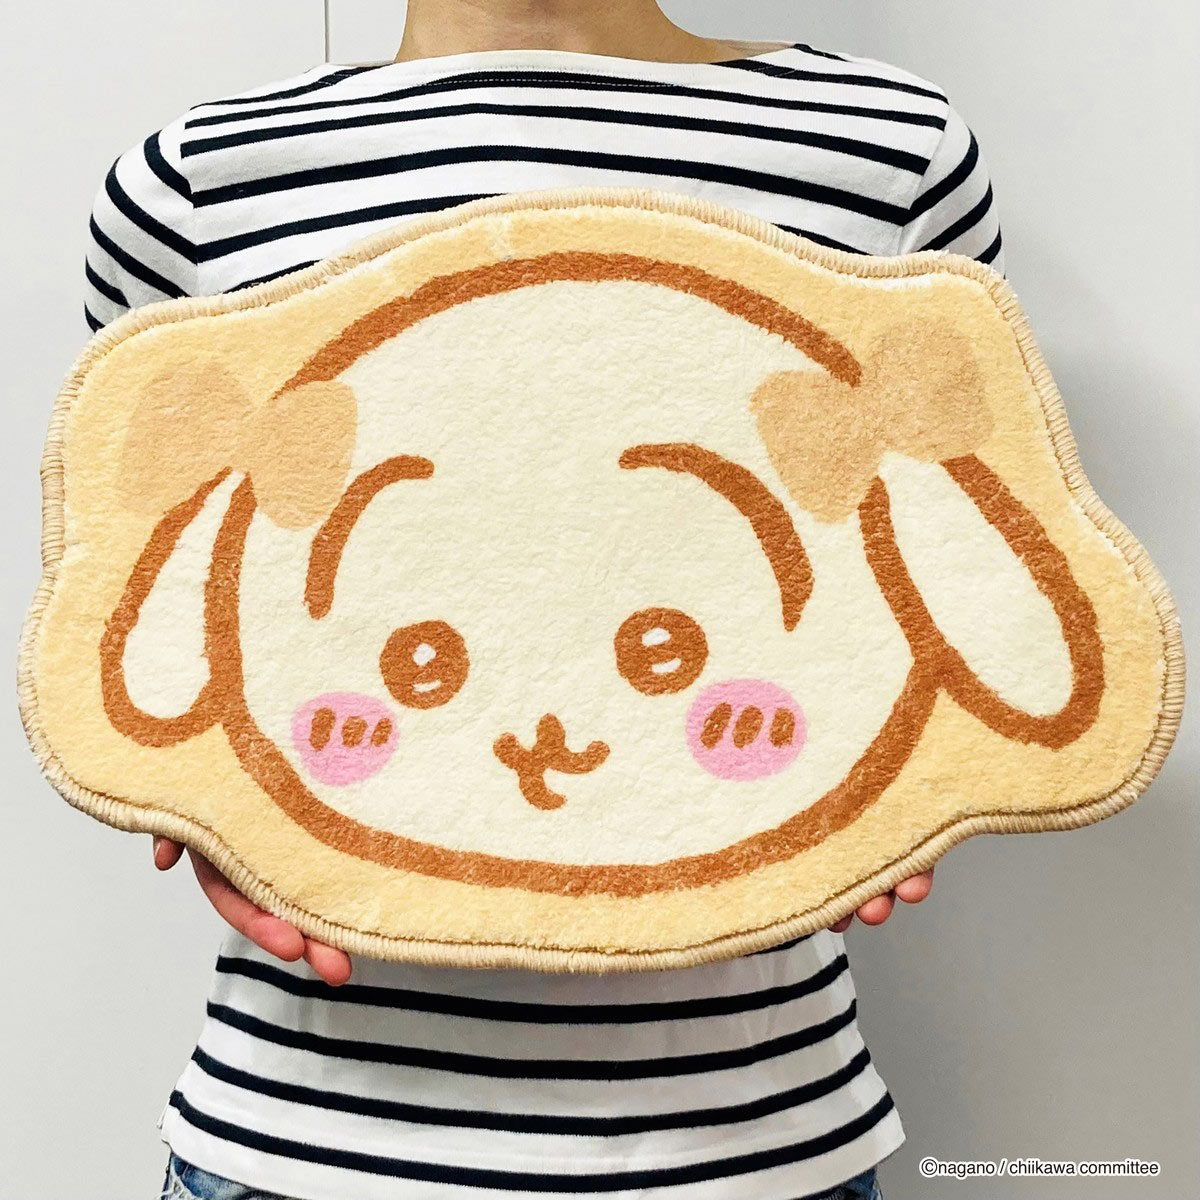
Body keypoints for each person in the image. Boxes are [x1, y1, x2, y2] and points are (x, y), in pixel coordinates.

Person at [84, 2, 1003, 1198]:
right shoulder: (198, 183)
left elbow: (948, 566)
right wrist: (205, 803)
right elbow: (143, 611)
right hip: (303, 1141)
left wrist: (918, 783)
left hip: (755, 1140)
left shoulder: (890, 153)